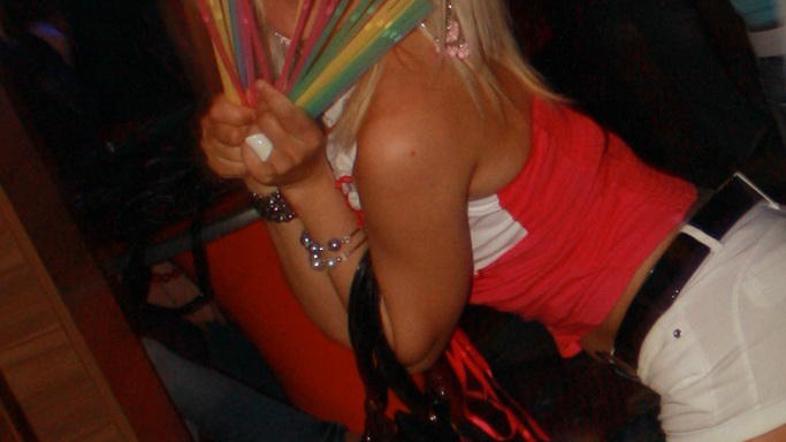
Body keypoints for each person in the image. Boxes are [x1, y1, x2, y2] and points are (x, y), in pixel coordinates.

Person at [200, 0, 786, 440]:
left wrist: (307, 184)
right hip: (718, 295)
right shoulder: (351, 85)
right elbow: (354, 321)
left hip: (725, 329)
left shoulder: (403, 122)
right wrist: (270, 183)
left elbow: (405, 346)